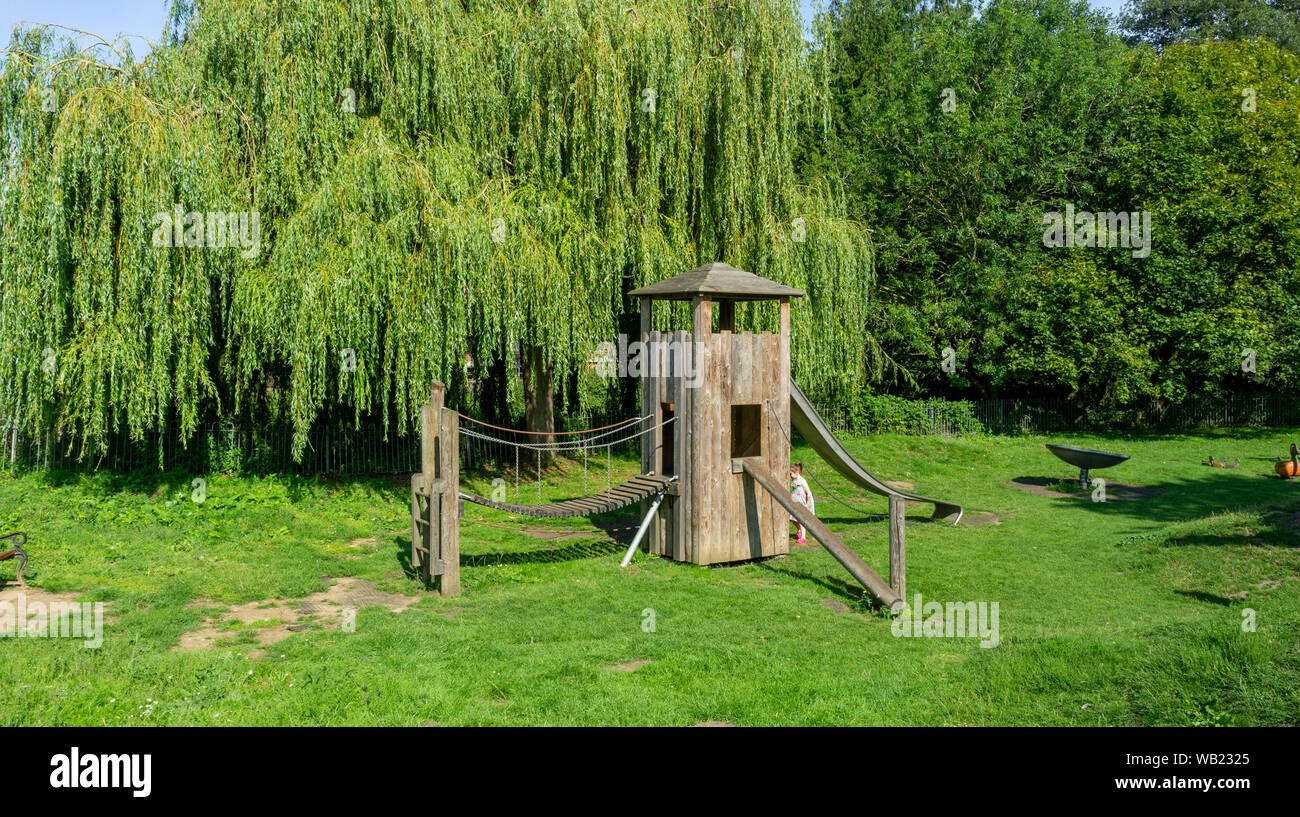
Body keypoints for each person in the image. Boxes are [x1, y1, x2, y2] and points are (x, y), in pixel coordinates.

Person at [789, 462, 815, 544]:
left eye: (791, 474)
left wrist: (807, 504)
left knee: (801, 519)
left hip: (804, 502)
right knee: (792, 518)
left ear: (797, 472)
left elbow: (808, 493)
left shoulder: (802, 481)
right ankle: (799, 530)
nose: (790, 475)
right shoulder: (794, 479)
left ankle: (803, 537)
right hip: (796, 501)